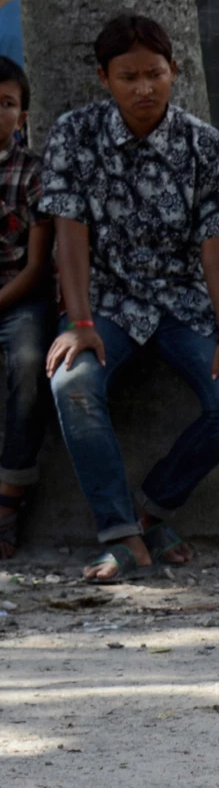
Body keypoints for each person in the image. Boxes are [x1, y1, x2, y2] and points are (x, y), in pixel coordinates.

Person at [38, 13, 219, 584]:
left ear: (174, 72)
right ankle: (121, 537)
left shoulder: (204, 145)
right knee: (73, 383)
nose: (143, 88)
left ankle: (150, 511)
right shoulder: (74, 135)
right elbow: (69, 234)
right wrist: (80, 319)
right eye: (128, 76)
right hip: (104, 304)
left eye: (155, 74)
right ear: (104, 77)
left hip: (184, 306)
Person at [0, 55, 50, 561]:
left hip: (18, 297)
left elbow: (36, 268)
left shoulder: (33, 173)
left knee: (29, 362)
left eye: (7, 104)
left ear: (23, 116)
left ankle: (8, 497)